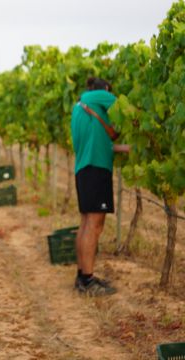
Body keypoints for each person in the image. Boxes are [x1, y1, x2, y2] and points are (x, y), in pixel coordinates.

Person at [71, 77, 130, 296]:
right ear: (105, 89)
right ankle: (88, 281)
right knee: (95, 224)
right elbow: (127, 110)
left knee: (87, 221)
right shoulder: (100, 96)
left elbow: (100, 142)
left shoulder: (79, 107)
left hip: (84, 169)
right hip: (96, 169)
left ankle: (82, 276)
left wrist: (125, 148)